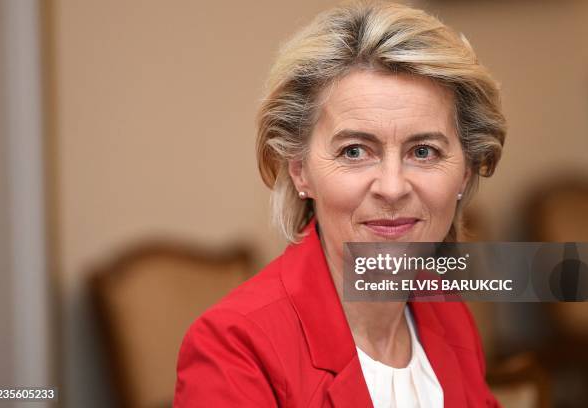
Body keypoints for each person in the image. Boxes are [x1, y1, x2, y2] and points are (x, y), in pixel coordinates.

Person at [174, 1, 506, 406]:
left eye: (423, 152)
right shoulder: (235, 349)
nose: (392, 187)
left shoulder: (445, 311)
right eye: (353, 151)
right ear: (299, 170)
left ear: (466, 171)